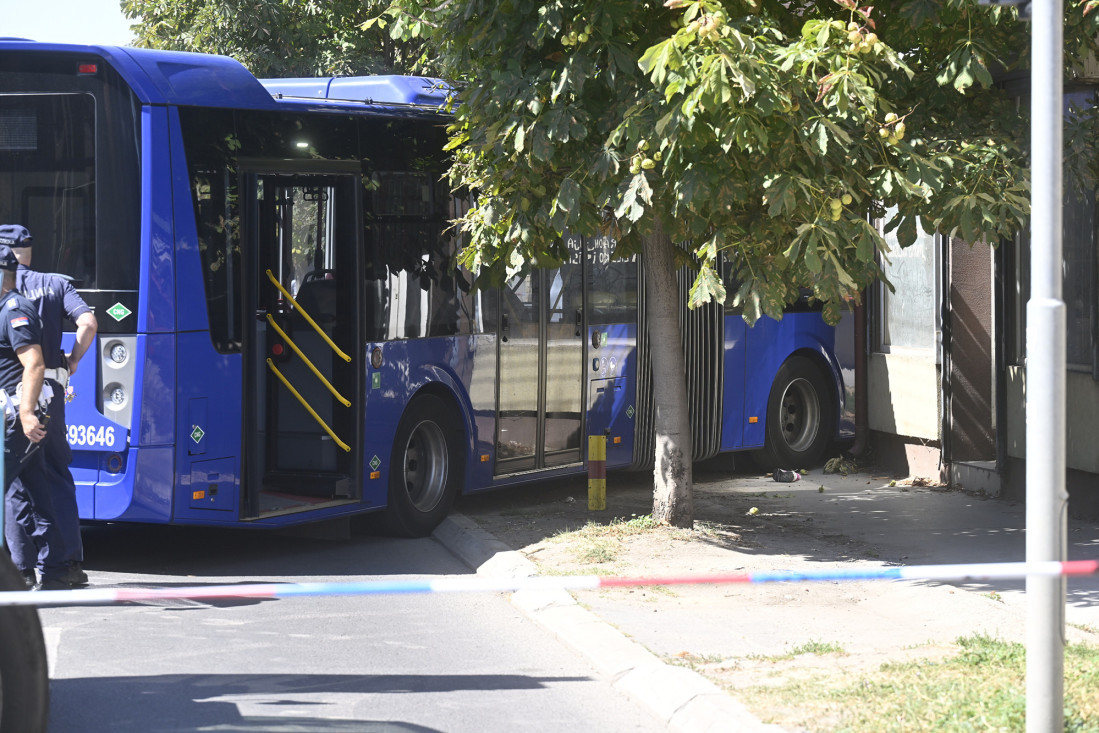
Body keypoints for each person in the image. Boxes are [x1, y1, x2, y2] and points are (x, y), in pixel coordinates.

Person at [0, 225, 97, 588]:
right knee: (52, 479)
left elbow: (28, 362)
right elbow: (88, 322)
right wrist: (73, 360)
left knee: (13, 488)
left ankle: (21, 568)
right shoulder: (56, 283)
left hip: (19, 400)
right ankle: (64, 564)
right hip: (50, 393)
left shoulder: (10, 298)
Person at [0, 243, 65, 590]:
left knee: (9, 488)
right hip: (12, 418)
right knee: (37, 493)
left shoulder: (14, 310)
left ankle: (37, 571)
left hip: (17, 418)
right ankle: (54, 572)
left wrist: (25, 414)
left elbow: (34, 363)